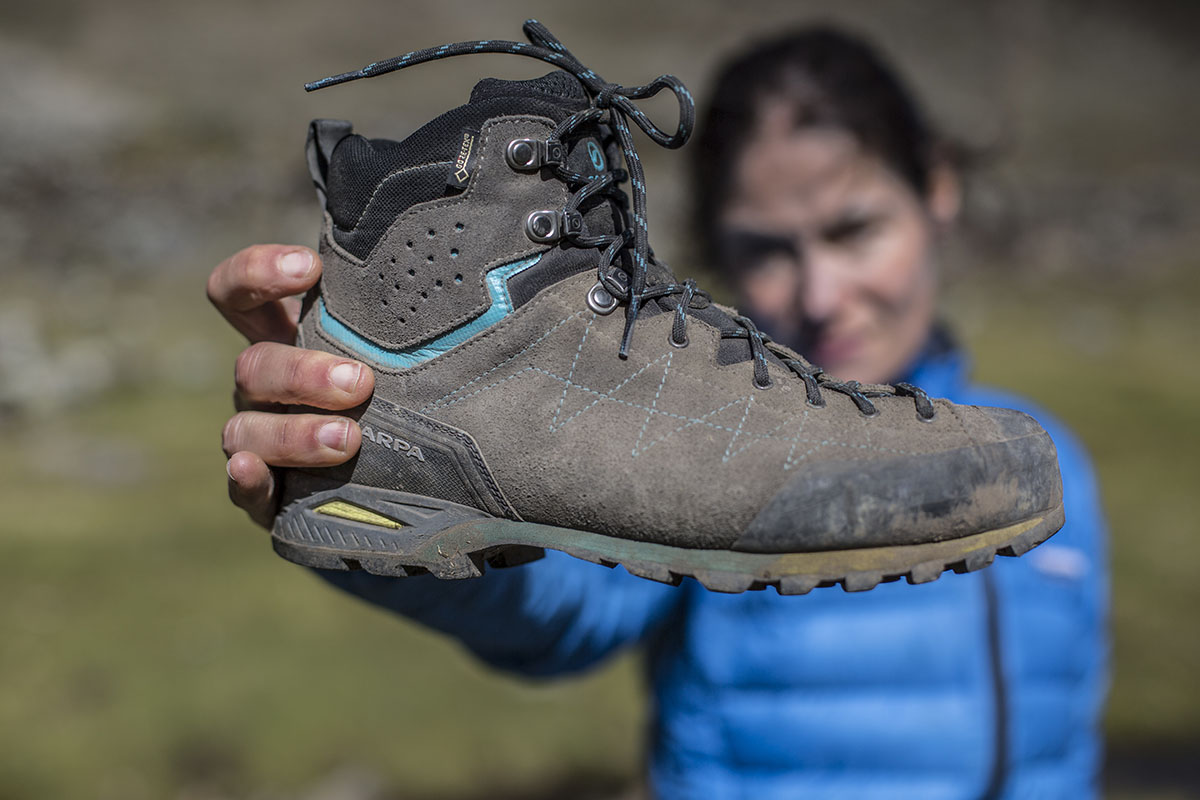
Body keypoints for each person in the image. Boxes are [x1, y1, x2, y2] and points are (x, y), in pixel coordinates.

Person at [210, 26, 1108, 799]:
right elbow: (561, 606)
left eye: (852, 229)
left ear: (936, 191)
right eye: (768, 250)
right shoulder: (684, 448)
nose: (823, 293)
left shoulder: (1048, 454)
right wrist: (352, 450)